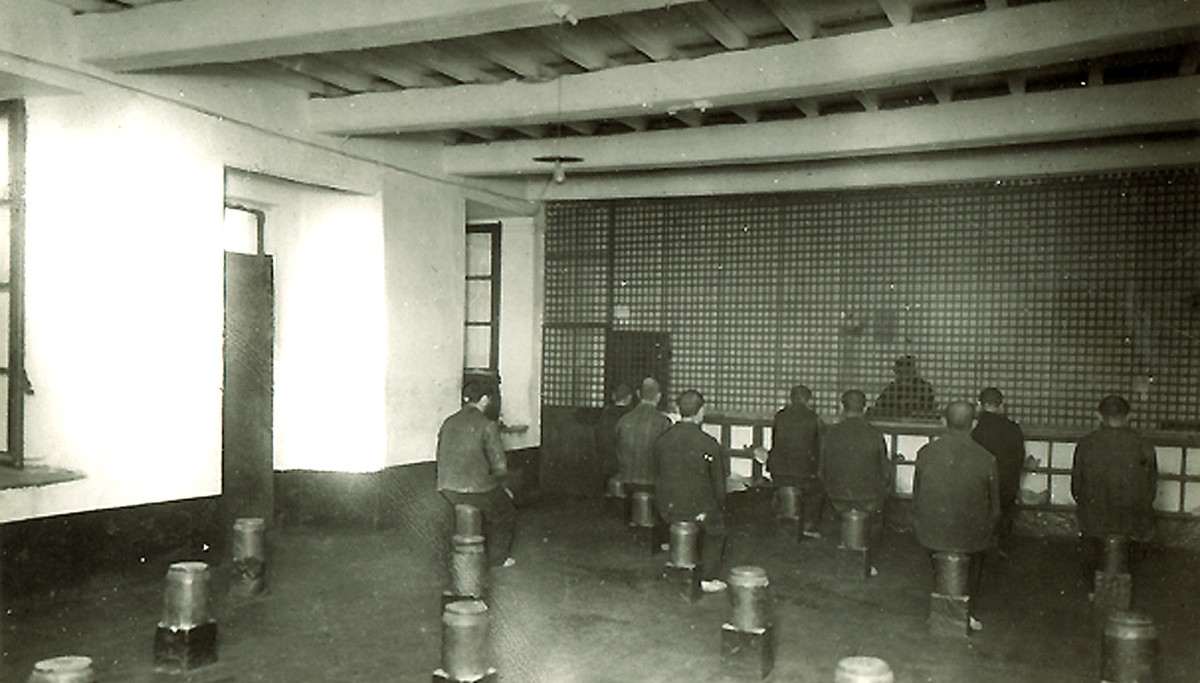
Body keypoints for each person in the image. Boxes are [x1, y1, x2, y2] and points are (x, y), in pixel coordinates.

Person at [913, 401, 1000, 631]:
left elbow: (917, 497)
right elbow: (995, 509)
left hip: (931, 534)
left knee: (938, 559)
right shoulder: (987, 458)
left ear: (943, 421)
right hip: (972, 538)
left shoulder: (925, 453)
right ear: (974, 424)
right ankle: (967, 611)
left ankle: (940, 602)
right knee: (975, 561)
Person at [1070, 395, 1157, 592]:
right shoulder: (1144, 444)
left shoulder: (1086, 444)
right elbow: (1150, 488)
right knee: (1131, 551)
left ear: (1098, 416)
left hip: (1094, 519)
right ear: (1129, 416)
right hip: (1131, 521)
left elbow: (1076, 487)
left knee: (1091, 548)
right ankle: (1125, 589)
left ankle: (1092, 591)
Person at [436, 379, 516, 568]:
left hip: (446, 488)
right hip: (476, 490)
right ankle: (498, 558)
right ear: (485, 399)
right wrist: (504, 488)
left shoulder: (448, 422)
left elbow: (439, 455)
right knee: (506, 511)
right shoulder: (487, 425)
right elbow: (499, 465)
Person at [654, 390, 728, 593]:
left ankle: (678, 557)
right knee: (716, 529)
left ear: (678, 410)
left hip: (666, 508)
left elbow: (657, 475)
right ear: (701, 411)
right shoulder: (708, 443)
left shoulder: (662, 440)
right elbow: (719, 485)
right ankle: (708, 578)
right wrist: (717, 507)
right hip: (698, 510)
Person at [820, 390, 891, 556]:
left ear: (841, 408)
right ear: (865, 408)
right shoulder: (875, 435)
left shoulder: (830, 434)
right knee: (877, 518)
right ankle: (870, 555)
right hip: (868, 499)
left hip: (837, 498)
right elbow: (885, 473)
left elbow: (822, 470)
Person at [971, 387, 1026, 556]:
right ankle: (1002, 547)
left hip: (980, 487)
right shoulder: (1014, 429)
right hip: (1006, 487)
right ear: (1002, 405)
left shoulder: (975, 431)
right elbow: (1019, 460)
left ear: (979, 405)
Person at [768, 385, 825, 537]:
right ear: (808, 400)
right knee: (817, 492)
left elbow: (775, 443)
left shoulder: (779, 416)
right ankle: (809, 526)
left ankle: (783, 517)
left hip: (779, 472)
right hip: (805, 474)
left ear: (791, 399)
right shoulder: (814, 418)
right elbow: (821, 448)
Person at [614, 377, 672, 503]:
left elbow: (617, 451)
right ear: (659, 396)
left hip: (626, 481)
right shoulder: (663, 422)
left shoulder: (623, 420)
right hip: (652, 483)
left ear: (638, 394)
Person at [869, 355, 937, 419]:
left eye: (900, 372)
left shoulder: (924, 388)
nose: (898, 375)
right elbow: (878, 407)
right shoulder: (891, 389)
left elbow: (928, 410)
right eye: (897, 372)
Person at [596, 382, 635, 494]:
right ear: (629, 397)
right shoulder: (631, 414)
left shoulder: (605, 414)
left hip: (608, 462)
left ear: (613, 396)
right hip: (628, 464)